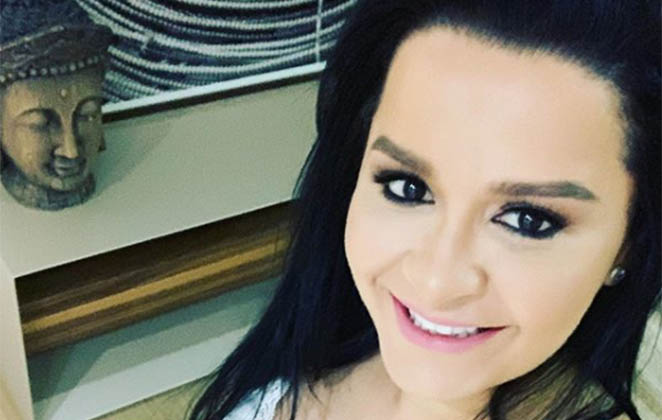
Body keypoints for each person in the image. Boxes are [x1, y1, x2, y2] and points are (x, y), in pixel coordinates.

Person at [191, 1, 660, 419]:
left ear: (629, 245)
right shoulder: (295, 373)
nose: (437, 281)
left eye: (528, 221)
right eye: (408, 188)